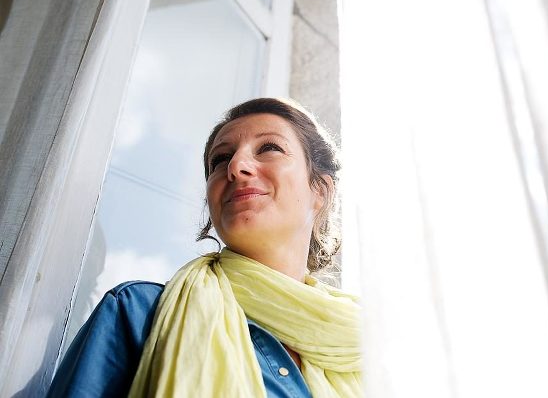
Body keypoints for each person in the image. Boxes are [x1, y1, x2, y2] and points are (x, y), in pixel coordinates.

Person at [47, 97, 362, 397]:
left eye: (269, 148)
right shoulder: (139, 313)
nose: (236, 166)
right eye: (220, 159)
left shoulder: (365, 349)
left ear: (319, 190)